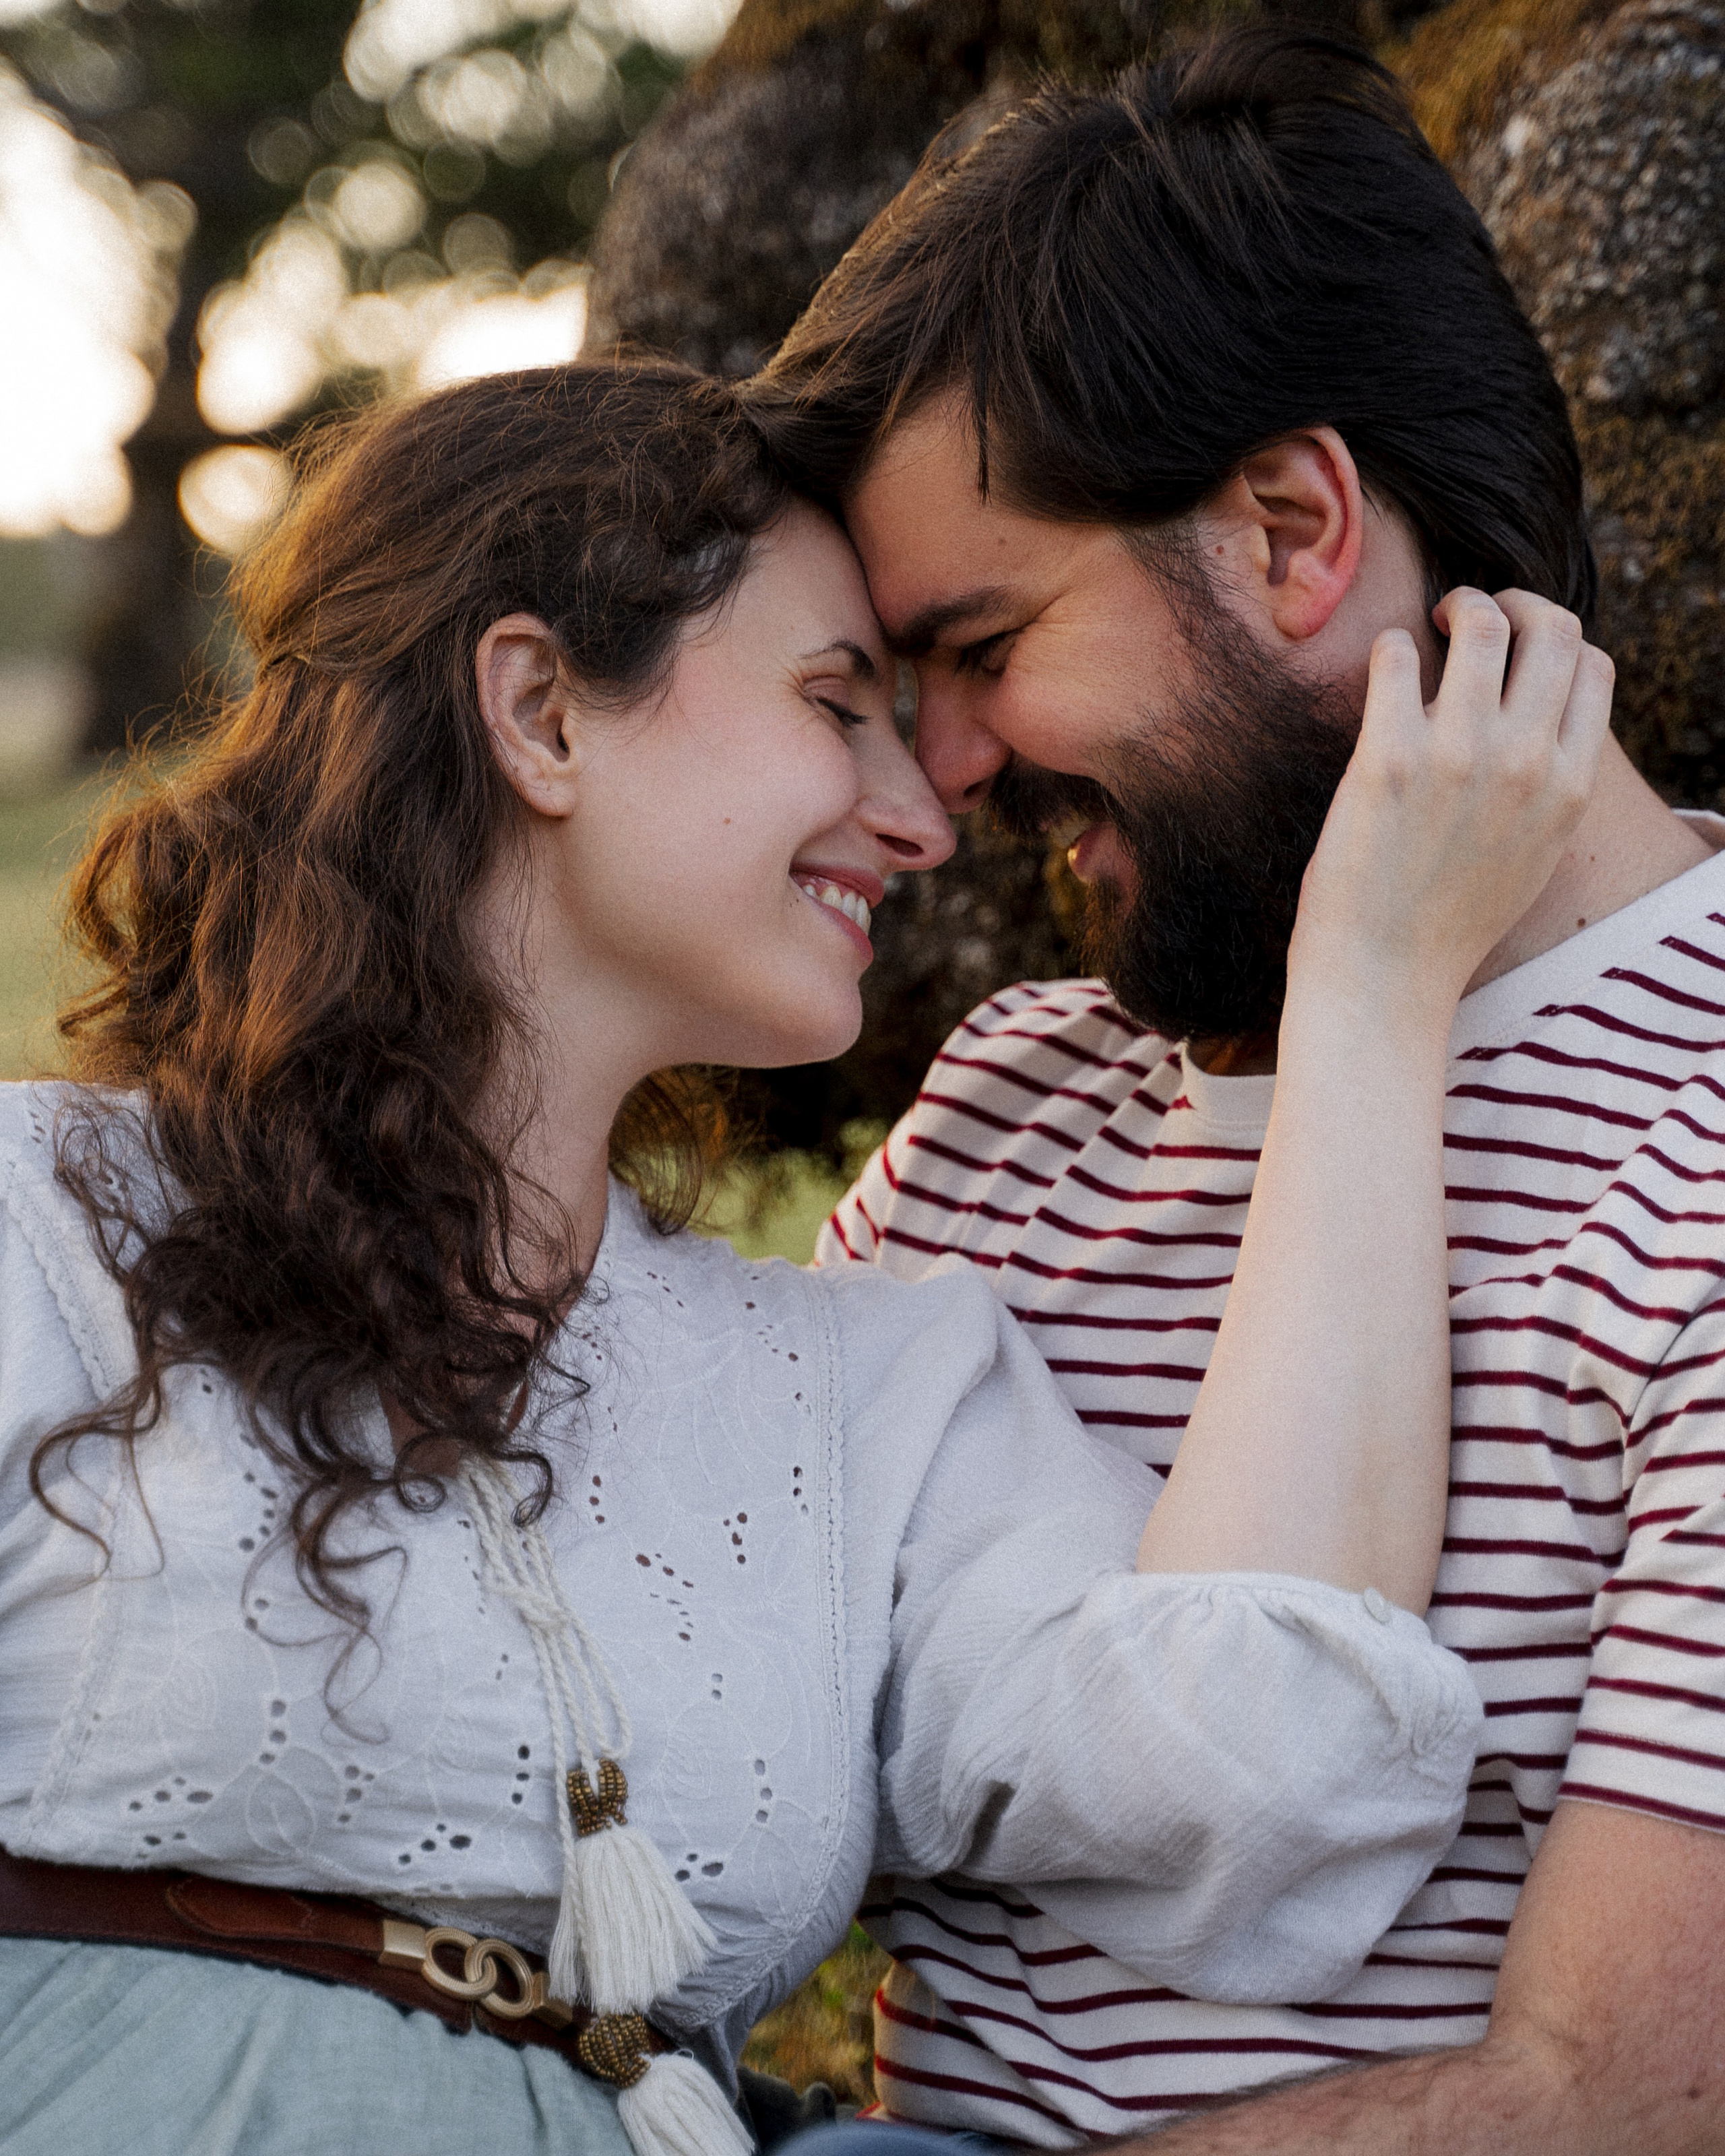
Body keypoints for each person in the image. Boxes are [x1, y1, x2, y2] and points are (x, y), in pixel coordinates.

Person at [0, 360, 1598, 2156]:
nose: (924, 816)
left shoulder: (870, 1395)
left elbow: (1265, 1771)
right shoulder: (35, 1233)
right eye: (838, 703)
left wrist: (1370, 991)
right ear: (539, 711)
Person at [753, 25, 1725, 2156]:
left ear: (1293, 527)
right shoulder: (1010, 1104)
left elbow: (1621, 2104)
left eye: (983, 646)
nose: (943, 778)